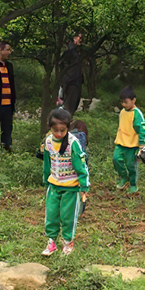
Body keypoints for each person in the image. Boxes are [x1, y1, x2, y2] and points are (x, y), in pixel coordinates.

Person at [41, 108, 90, 256]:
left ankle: (68, 242)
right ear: (50, 127)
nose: (58, 134)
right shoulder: (48, 141)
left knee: (67, 216)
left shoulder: (73, 143)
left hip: (71, 187)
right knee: (51, 214)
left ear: (68, 128)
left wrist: (84, 185)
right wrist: (46, 179)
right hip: (54, 185)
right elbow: (46, 163)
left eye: (62, 130)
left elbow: (81, 166)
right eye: (55, 130)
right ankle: (51, 242)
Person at [113, 86, 145, 194]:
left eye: (126, 102)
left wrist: (142, 145)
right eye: (122, 102)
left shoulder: (137, 114)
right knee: (116, 159)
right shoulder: (123, 112)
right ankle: (124, 177)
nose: (124, 104)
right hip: (120, 143)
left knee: (131, 166)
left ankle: (133, 184)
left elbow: (142, 129)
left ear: (133, 100)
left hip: (132, 145)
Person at [58, 33, 84, 115]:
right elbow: (64, 64)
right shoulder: (70, 50)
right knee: (69, 106)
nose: (80, 40)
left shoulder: (76, 50)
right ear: (73, 38)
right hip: (71, 81)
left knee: (72, 105)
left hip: (74, 80)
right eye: (78, 37)